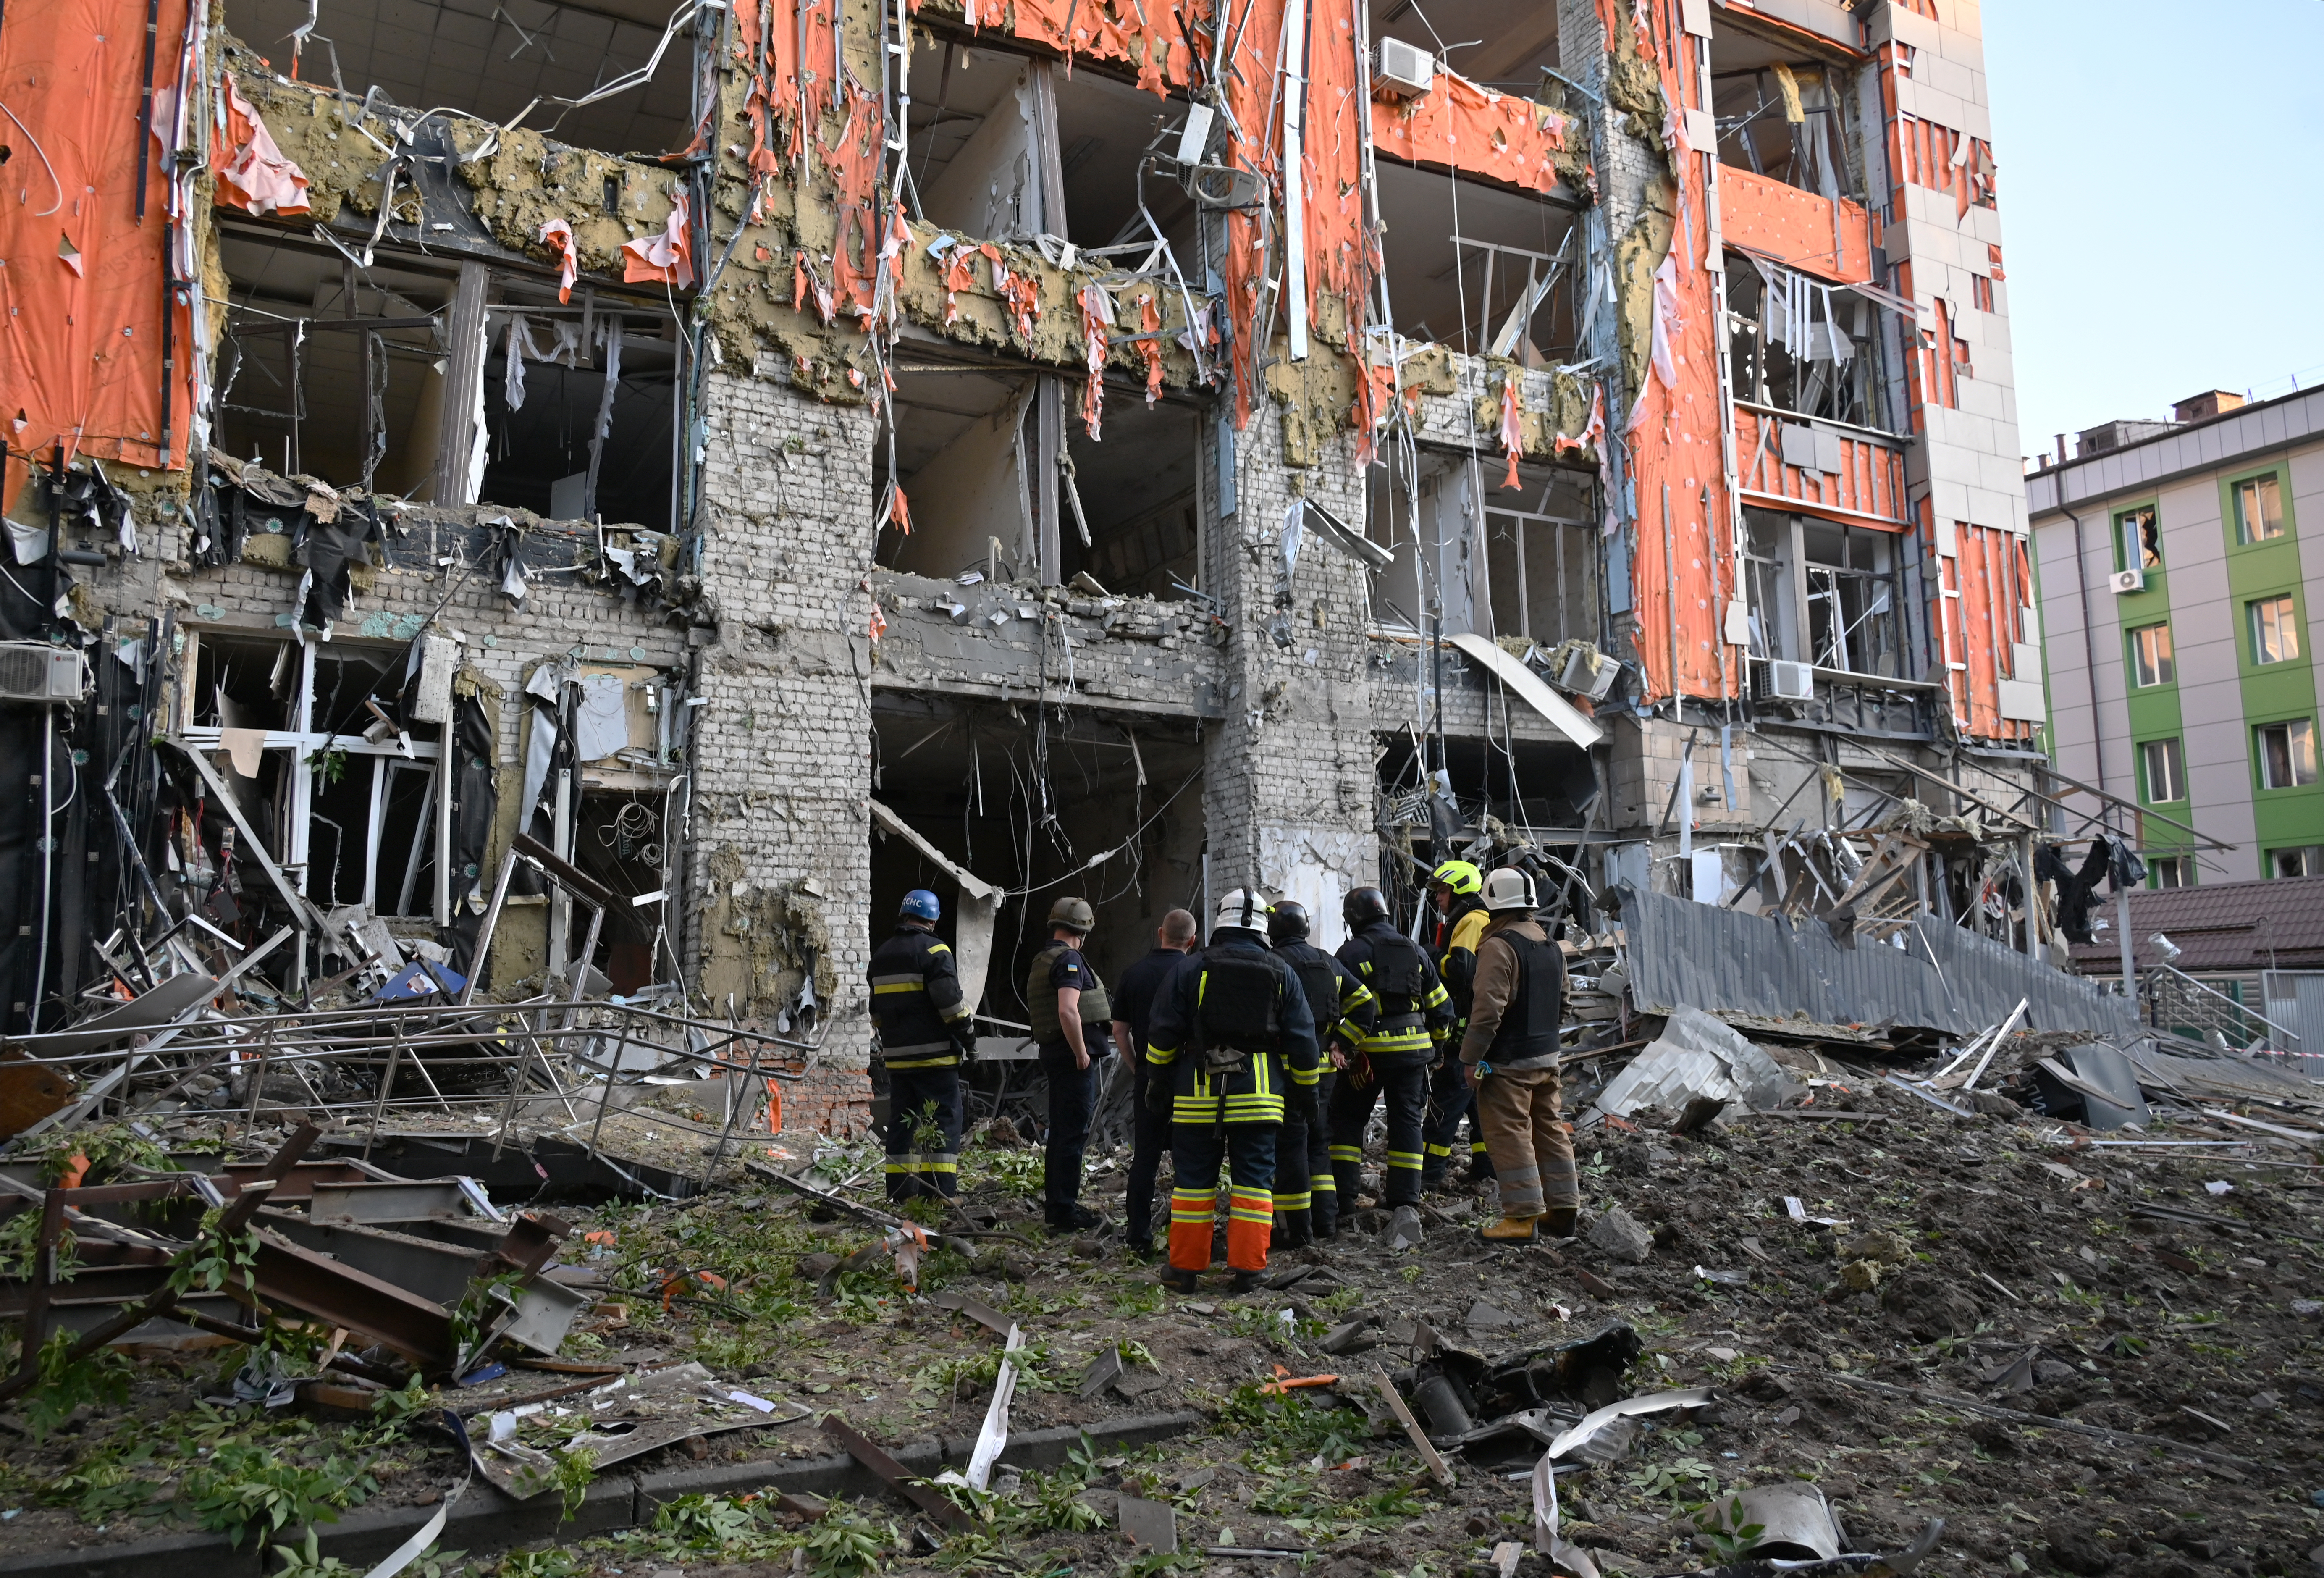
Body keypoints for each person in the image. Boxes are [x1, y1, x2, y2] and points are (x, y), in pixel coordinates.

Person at [1143, 888, 1320, 1292]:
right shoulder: (1281, 971)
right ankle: (1248, 1270)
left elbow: (1163, 1031)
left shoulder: (1190, 969)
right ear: (1263, 925)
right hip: (1259, 1096)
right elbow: (1302, 1041)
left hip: (1197, 1094)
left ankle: (1185, 1270)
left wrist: (1158, 1078)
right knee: (1255, 1182)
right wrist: (1306, 1092)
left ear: (1219, 920)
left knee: (1192, 1183)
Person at [1459, 866, 1580, 1242]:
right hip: (1547, 1058)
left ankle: (1522, 1217)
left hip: (1508, 1062)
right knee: (1549, 1129)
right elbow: (1564, 1002)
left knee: (1509, 1133)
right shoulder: (1548, 943)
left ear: (1491, 901)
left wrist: (1470, 1059)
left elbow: (1487, 1011)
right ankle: (1563, 1209)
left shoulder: (1499, 946)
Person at [1328, 885, 1452, 1218]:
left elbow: (1333, 1007)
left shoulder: (1350, 953)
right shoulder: (1414, 950)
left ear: (1353, 919)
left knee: (1348, 1120)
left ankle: (1343, 1199)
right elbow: (1442, 1008)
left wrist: (1340, 1045)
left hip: (1366, 1056)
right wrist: (1437, 1048)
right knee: (1408, 1121)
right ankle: (1405, 1199)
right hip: (1413, 1054)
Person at [1264, 899, 1375, 1246]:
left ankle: (1294, 1230)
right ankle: (1326, 1222)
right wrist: (1342, 1043)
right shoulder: (1328, 962)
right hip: (1326, 1068)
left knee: (1290, 1144)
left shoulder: (1273, 963)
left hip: (1285, 1069)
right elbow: (1365, 1002)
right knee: (1319, 1141)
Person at [866, 889, 976, 1201]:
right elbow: (951, 1007)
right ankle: (940, 1196)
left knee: (903, 1125)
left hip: (899, 1062)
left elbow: (876, 1015)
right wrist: (969, 1039)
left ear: (905, 915)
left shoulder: (881, 955)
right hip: (936, 1060)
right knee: (944, 1121)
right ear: (934, 918)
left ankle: (900, 1195)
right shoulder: (935, 950)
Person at [1110, 909, 1200, 1258]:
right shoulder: (1195, 971)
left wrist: (1137, 1065)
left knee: (1146, 1156)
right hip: (1191, 1078)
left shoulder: (1134, 973)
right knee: (1189, 1156)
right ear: (1191, 940)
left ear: (1161, 932)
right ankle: (1186, 1233)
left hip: (1151, 1075)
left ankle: (1138, 1235)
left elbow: (1120, 1030)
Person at [1025, 896, 1115, 1233]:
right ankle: (1064, 1210)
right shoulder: (1069, 960)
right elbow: (1067, 1010)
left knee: (1063, 1133)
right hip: (1070, 1059)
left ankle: (1059, 1206)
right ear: (1084, 929)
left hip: (1056, 1055)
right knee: (1072, 1135)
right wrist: (1081, 1052)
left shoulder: (1044, 958)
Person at [1422, 859, 1495, 1191]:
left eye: (1442, 890)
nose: (1438, 898)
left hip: (1462, 1028)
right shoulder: (1474, 917)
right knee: (1477, 1105)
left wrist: (1432, 957)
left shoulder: (1470, 919)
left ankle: (1429, 1174)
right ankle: (1485, 1168)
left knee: (1446, 1099)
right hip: (1472, 1026)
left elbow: (1463, 968)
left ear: (1459, 890)